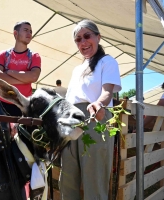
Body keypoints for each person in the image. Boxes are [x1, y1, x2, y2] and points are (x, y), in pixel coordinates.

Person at [59, 19, 121, 200]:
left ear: (98, 37)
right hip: (71, 120)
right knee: (68, 176)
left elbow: (107, 92)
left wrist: (99, 104)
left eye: (87, 36)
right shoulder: (77, 69)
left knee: (94, 178)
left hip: (95, 118)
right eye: (78, 39)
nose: (83, 42)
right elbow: (70, 98)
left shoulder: (107, 61)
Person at [0, 21, 41, 199]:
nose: (29, 33)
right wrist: (22, 78)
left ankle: (23, 192)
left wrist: (7, 73)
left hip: (22, 107)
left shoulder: (35, 56)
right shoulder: (3, 54)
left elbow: (33, 76)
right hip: (0, 105)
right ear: (15, 33)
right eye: (26, 30)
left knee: (22, 149)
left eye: (31, 31)